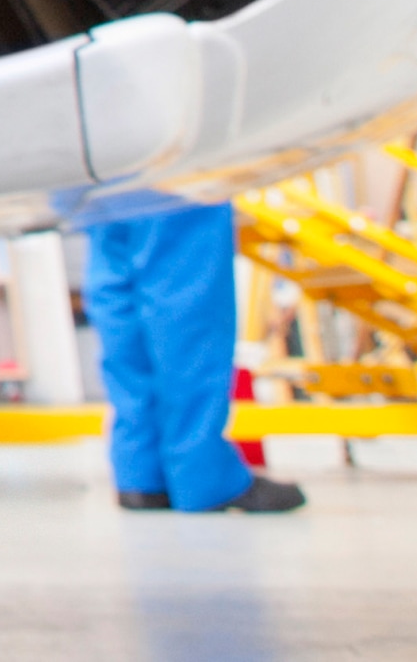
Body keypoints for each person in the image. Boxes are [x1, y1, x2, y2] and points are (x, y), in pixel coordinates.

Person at [82, 198, 302, 515]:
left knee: (116, 272)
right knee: (184, 280)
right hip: (162, 172)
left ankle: (142, 473)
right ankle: (203, 477)